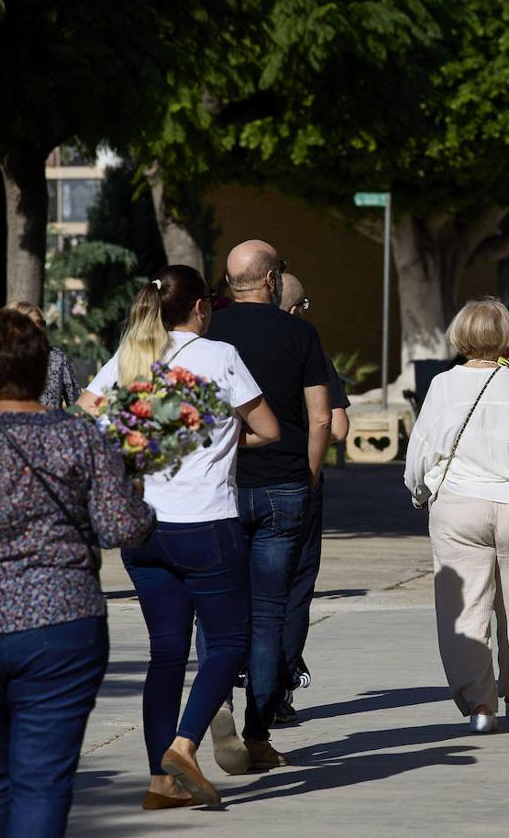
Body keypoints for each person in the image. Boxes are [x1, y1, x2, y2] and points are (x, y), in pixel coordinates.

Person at [0, 310, 155, 836]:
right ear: (47, 371)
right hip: (61, 625)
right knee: (41, 782)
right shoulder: (80, 438)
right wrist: (139, 491)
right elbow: (123, 527)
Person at [78, 266, 280, 805]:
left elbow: (84, 421)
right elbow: (269, 429)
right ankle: (185, 746)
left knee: (166, 652)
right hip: (205, 521)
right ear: (200, 308)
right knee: (230, 642)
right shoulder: (218, 356)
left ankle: (160, 782)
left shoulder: (128, 356)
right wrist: (220, 445)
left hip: (144, 527)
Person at [404, 298, 509, 733]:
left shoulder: (440, 386)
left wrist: (420, 493)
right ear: (506, 337)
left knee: (466, 609)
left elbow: (420, 454)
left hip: (459, 504)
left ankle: (480, 705)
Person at [204, 239, 332, 768]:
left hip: (220, 486)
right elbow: (322, 418)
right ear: (273, 279)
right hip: (283, 486)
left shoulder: (208, 332)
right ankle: (258, 735)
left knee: (214, 609)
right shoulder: (300, 333)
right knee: (267, 614)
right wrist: (308, 475)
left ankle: (214, 700)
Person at [275, 274, 351, 724]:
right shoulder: (311, 350)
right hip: (298, 481)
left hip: (239, 482)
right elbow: (336, 427)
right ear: (296, 307)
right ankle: (279, 686)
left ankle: (228, 681)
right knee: (293, 590)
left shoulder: (229, 345)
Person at [0, 302, 80, 412]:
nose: (38, 329)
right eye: (31, 325)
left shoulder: (57, 358)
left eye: (41, 323)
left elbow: (77, 404)